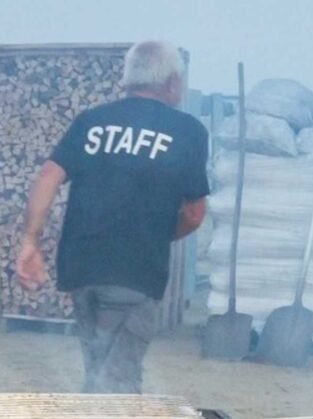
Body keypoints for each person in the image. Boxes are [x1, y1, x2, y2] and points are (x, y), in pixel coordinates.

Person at [15, 40, 209, 394]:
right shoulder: (188, 131)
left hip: (82, 269)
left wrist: (30, 242)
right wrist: (155, 234)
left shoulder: (91, 121)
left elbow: (47, 177)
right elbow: (194, 215)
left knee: (97, 368)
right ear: (171, 83)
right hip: (134, 273)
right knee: (119, 381)